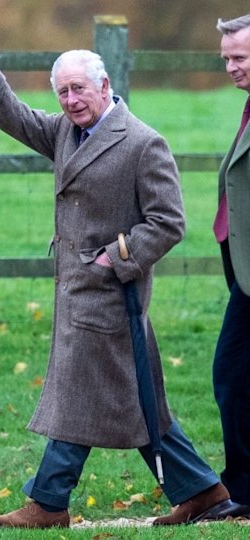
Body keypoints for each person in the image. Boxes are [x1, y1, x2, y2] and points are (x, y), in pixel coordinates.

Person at [0, 10, 237, 528]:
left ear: (105, 85)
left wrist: (119, 256)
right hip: (75, 290)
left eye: (79, 90)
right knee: (135, 399)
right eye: (62, 92)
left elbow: (169, 221)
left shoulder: (141, 142)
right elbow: (16, 116)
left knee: (83, 397)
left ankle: (48, 502)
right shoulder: (66, 132)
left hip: (112, 293)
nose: (70, 101)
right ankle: (202, 489)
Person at [211, 14, 250, 519]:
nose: (231, 67)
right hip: (243, 272)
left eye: (239, 57)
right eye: (225, 59)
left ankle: (243, 489)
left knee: (233, 373)